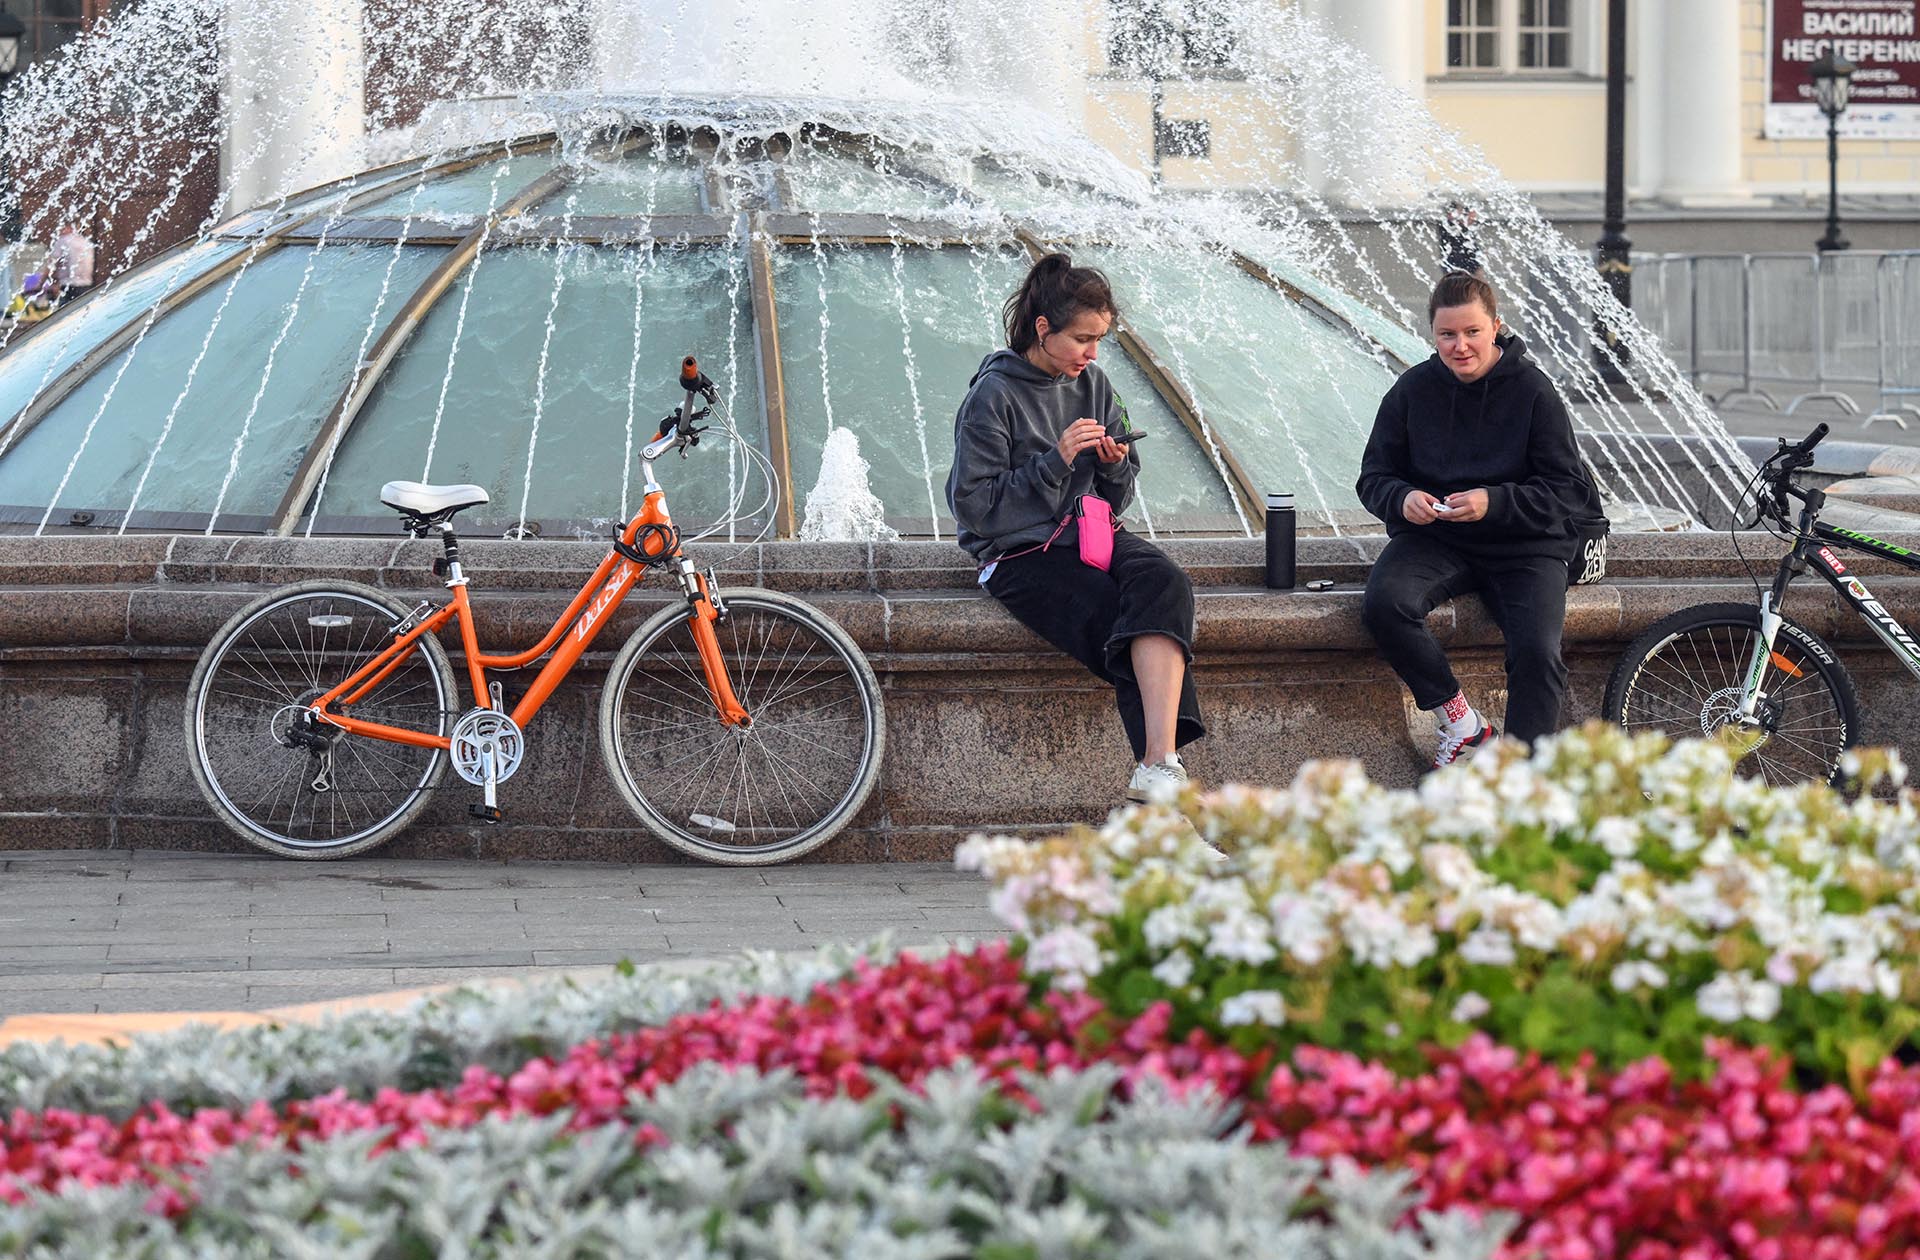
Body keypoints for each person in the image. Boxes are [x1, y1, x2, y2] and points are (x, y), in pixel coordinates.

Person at [947, 253, 1204, 801]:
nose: (1092, 353)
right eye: (1083, 339)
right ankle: (1161, 788)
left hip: (1089, 533)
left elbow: (1121, 493)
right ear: (1043, 328)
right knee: (1123, 623)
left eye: (1100, 340)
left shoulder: (1096, 384)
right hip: (1019, 556)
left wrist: (1113, 464)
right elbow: (972, 505)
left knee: (1164, 584)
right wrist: (1055, 461)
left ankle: (1159, 768)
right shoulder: (992, 395)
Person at [1356, 270, 1603, 768]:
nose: (1460, 346)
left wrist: (1496, 502)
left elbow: (1569, 491)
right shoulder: (1412, 390)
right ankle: (1462, 722)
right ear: (1433, 334)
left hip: (1526, 545)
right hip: (1439, 539)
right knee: (1385, 604)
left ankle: (1521, 780)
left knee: (1536, 653)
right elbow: (1373, 477)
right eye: (1447, 334)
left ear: (1495, 326)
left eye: (1471, 332)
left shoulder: (1534, 392)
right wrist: (1402, 498)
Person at [49, 223, 95, 302]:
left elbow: (51, 264)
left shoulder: (63, 240)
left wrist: (41, 283)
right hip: (86, 285)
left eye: (62, 228)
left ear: (68, 227)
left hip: (68, 285)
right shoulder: (86, 242)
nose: (60, 231)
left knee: (65, 312)